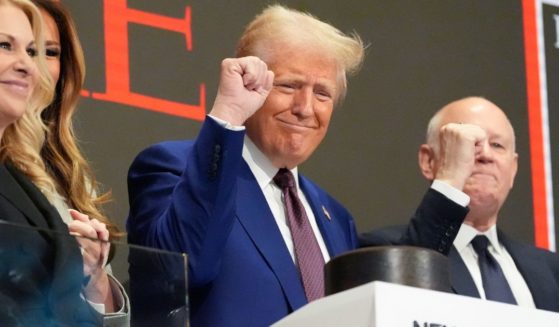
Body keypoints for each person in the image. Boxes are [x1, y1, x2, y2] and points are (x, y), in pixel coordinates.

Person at [126, 5, 472, 326]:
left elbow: (389, 302)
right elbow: (182, 272)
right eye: (289, 85)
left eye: (322, 94)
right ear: (250, 83)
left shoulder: (334, 218)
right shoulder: (174, 167)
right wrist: (229, 114)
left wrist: (450, 185)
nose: (305, 108)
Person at [361, 96, 559, 311]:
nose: (485, 155)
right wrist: (451, 179)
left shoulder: (550, 269)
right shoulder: (384, 251)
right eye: (470, 143)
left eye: (497, 145)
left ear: (513, 169)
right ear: (429, 161)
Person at [0, 0, 130, 324]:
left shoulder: (67, 177)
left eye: (46, 52)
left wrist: (94, 278)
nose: (32, 66)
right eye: (5, 45)